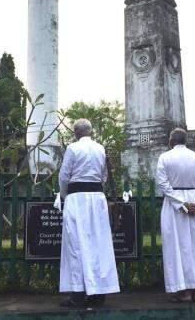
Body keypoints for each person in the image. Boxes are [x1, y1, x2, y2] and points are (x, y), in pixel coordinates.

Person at [58, 119, 120, 308]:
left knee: (76, 245)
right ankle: (98, 293)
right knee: (98, 244)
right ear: (90, 132)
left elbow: (64, 176)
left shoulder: (73, 148)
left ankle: (77, 294)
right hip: (97, 199)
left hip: (77, 199)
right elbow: (104, 176)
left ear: (76, 133)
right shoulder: (101, 148)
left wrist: (65, 195)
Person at [156, 128, 195, 303]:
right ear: (186, 140)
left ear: (171, 141)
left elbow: (163, 183)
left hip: (174, 206)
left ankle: (183, 291)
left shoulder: (165, 157)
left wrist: (181, 203)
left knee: (177, 247)